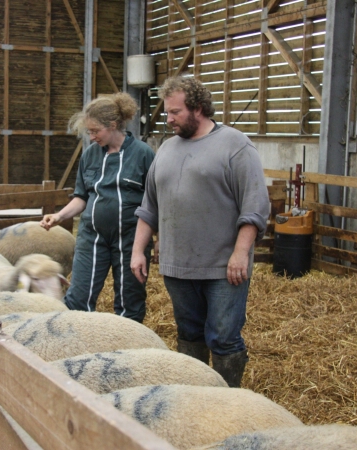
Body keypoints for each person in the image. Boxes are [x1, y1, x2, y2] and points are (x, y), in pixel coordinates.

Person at [130, 76, 270, 387]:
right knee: (188, 334)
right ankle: (194, 398)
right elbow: (149, 207)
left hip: (223, 267)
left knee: (222, 337)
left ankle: (227, 399)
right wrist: (138, 250)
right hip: (177, 266)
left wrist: (240, 253)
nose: (168, 120)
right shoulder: (166, 149)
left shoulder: (235, 145)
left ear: (198, 109)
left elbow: (255, 206)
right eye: (167, 113)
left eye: (175, 112)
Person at [40, 92, 156, 323]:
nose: (91, 137)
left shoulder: (143, 154)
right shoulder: (91, 155)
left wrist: (157, 237)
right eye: (89, 132)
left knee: (129, 301)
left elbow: (154, 200)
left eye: (95, 131)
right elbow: (81, 197)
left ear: (112, 125)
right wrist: (59, 215)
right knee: (78, 298)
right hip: (92, 237)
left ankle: (127, 348)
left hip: (131, 239)